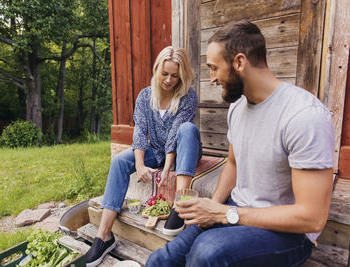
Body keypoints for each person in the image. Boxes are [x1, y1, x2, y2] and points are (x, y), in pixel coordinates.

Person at [146, 20, 335, 267]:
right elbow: (233, 164)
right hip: (239, 210)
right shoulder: (238, 108)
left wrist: (224, 213)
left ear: (239, 62)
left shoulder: (304, 116)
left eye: (214, 68)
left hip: (289, 235)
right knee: (161, 259)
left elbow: (311, 219)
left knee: (207, 252)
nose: (211, 78)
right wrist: (214, 205)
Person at [84, 46, 202, 267]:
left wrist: (167, 170)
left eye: (175, 75)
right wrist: (139, 164)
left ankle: (180, 203)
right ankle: (104, 236)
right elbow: (139, 131)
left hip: (184, 150)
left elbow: (176, 133)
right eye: (164, 73)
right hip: (155, 150)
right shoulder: (145, 96)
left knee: (187, 128)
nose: (168, 80)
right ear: (157, 69)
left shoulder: (188, 96)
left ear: (182, 75)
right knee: (120, 161)